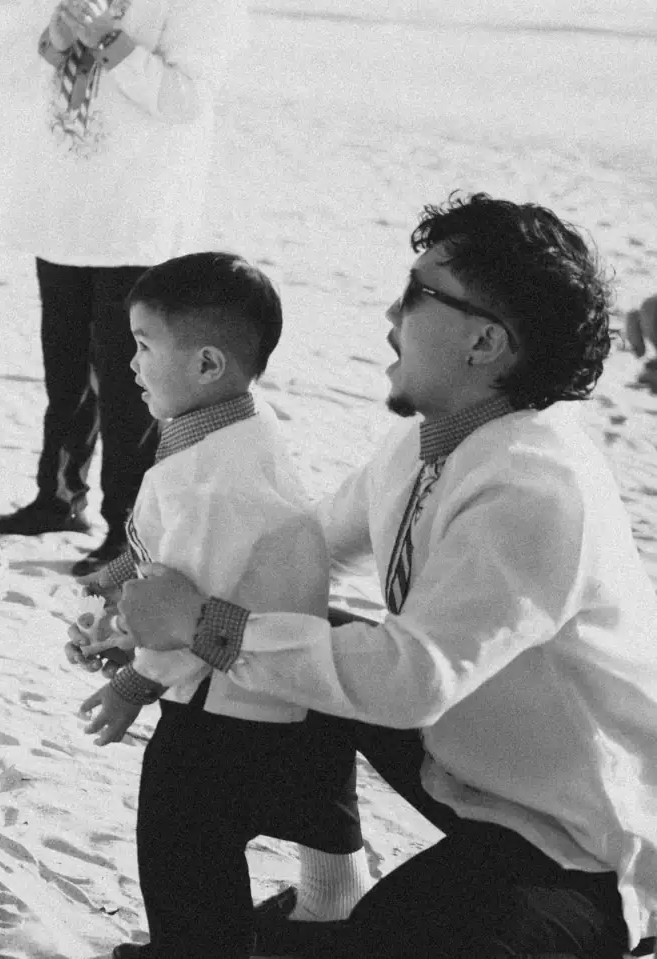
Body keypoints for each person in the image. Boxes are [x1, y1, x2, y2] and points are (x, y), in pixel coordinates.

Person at [122, 195, 657, 958]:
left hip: (580, 839)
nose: (389, 313)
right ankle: (284, 911)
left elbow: (412, 680)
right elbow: (299, 542)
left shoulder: (536, 487)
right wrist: (156, 611)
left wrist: (201, 621)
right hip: (469, 770)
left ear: (485, 341)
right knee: (274, 665)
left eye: (416, 294)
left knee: (387, 942)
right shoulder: (427, 442)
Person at [71, 252, 367, 957]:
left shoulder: (215, 480)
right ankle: (328, 911)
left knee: (181, 840)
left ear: (207, 365)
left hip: (227, 702)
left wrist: (131, 683)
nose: (131, 361)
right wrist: (115, 586)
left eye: (144, 346)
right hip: (290, 688)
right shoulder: (240, 428)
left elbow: (183, 610)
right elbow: (170, 557)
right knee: (312, 803)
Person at [0, 0, 247, 576]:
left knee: (130, 377)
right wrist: (55, 31)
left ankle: (126, 528)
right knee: (64, 367)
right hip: (59, 203)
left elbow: (188, 99)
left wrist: (113, 39)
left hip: (137, 213)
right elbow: (4, 71)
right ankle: (55, 496)